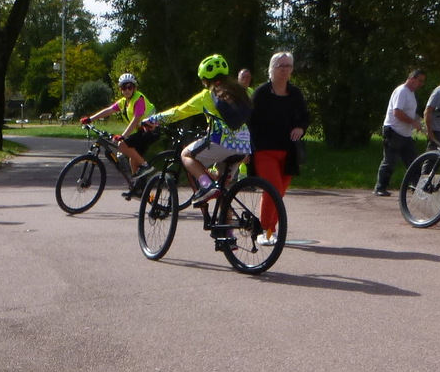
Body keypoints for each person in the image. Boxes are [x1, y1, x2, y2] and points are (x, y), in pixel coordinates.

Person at [142, 54, 253, 208]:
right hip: (243, 146)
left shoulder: (207, 95)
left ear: (206, 79)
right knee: (221, 189)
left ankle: (206, 186)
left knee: (186, 155)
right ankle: (226, 223)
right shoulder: (241, 91)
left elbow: (179, 112)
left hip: (222, 142)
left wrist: (153, 120)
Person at [248, 51, 310, 243]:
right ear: (272, 68)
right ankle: (265, 231)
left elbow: (305, 116)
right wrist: (247, 148)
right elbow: (250, 121)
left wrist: (300, 128)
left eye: (288, 66)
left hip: (288, 151)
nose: (285, 70)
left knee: (280, 192)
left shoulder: (295, 93)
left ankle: (269, 231)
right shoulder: (261, 93)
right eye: (281, 66)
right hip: (264, 150)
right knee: (273, 189)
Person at [80, 73, 155, 189]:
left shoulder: (138, 99)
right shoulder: (124, 102)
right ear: (120, 89)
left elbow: (136, 119)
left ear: (134, 88)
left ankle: (146, 166)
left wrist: (123, 136)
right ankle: (138, 188)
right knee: (133, 160)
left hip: (151, 130)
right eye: (124, 87)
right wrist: (90, 119)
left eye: (130, 87)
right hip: (141, 131)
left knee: (122, 145)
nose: (127, 90)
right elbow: (109, 110)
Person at [374, 68, 426, 196]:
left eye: (422, 81)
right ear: (412, 78)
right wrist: (413, 122)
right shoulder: (402, 91)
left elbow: (408, 112)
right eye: (420, 81)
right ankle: (380, 187)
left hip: (405, 134)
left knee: (413, 161)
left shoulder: (411, 93)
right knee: (390, 161)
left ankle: (417, 187)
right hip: (394, 131)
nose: (421, 84)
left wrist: (418, 121)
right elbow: (397, 112)